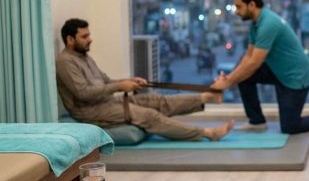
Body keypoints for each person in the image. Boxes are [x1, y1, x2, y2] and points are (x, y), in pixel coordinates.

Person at [56, 18, 233, 141]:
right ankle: (208, 133)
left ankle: (207, 96)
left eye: (89, 35)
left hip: (107, 102)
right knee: (149, 116)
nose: (90, 39)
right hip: (89, 112)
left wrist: (130, 81)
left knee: (155, 100)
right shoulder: (65, 61)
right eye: (84, 37)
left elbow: (106, 81)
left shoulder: (84, 57)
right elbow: (83, 93)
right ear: (70, 39)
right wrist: (120, 86)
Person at [210, 0, 309, 134]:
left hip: (296, 77)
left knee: (290, 127)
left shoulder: (268, 23)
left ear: (251, 5)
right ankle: (257, 121)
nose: (236, 11)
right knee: (244, 76)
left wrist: (227, 83)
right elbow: (248, 57)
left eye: (239, 7)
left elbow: (254, 63)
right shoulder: (256, 24)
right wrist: (228, 78)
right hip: (279, 70)